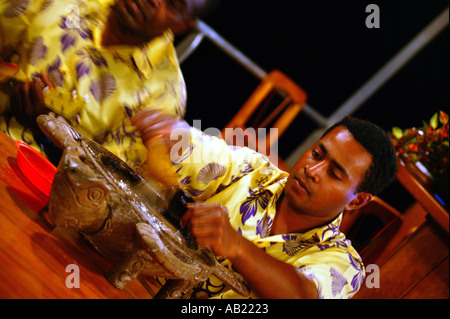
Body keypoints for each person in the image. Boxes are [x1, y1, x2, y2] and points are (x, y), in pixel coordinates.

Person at [131, 109, 398, 299]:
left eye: (335, 173)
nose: (313, 170)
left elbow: (305, 295)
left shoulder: (344, 263)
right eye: (317, 153)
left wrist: (236, 246)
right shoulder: (252, 171)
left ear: (358, 200)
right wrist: (171, 131)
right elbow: (199, 150)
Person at [0, 0, 216, 164]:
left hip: (27, 174)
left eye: (173, 4)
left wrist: (45, 133)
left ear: (182, 26)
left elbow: (106, 185)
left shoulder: (164, 96)